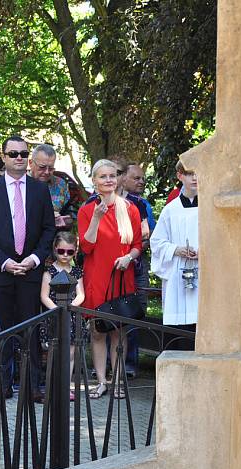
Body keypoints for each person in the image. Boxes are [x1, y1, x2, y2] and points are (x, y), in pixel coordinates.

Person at [0, 135, 56, 401]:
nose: (19, 158)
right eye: (13, 154)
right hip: (0, 272)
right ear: (4, 156)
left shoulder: (39, 189)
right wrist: (5, 262)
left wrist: (33, 259)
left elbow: (48, 229)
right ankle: (2, 385)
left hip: (30, 271)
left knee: (30, 332)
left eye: (23, 154)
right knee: (3, 331)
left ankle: (32, 387)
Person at [78, 159, 142, 399]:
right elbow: (85, 247)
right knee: (98, 331)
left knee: (119, 332)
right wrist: (96, 217)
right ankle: (101, 381)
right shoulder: (87, 210)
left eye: (112, 176)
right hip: (97, 277)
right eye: (103, 177)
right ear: (94, 181)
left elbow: (137, 245)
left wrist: (129, 258)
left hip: (121, 276)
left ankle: (117, 381)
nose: (108, 180)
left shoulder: (130, 209)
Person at [151, 160, 199, 334]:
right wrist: (176, 250)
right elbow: (156, 242)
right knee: (178, 331)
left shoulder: (210, 208)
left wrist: (203, 252)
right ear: (180, 176)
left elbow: (222, 239)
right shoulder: (171, 210)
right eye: (189, 173)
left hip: (204, 272)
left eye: (198, 173)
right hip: (178, 273)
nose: (195, 178)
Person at [120, 162, 155, 377]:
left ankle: (130, 363)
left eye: (143, 178)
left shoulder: (142, 205)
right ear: (123, 178)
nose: (141, 181)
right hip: (114, 265)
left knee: (134, 312)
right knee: (110, 312)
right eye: (136, 178)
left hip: (137, 265)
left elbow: (146, 236)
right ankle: (108, 363)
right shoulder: (103, 202)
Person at [40, 232, 84, 398]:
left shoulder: (77, 272)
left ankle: (67, 385)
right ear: (55, 249)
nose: (65, 255)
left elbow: (81, 294)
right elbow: (44, 295)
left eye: (70, 252)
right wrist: (58, 310)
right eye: (61, 251)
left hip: (71, 316)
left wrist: (71, 307)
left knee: (71, 353)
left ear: (75, 251)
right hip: (54, 316)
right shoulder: (49, 271)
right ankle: (53, 385)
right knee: (53, 351)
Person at [28, 144, 76, 229]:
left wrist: (64, 221)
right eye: (42, 167)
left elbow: (70, 216)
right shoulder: (20, 184)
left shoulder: (61, 184)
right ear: (31, 163)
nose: (47, 172)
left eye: (50, 168)